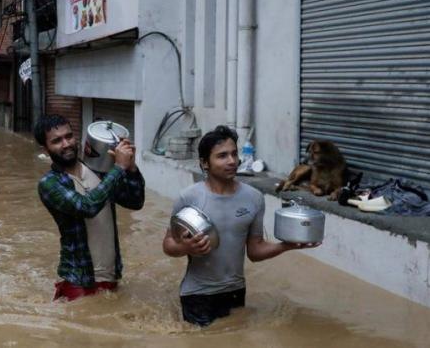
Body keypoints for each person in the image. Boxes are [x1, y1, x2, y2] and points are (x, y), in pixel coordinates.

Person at [163, 125, 320, 327]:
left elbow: (254, 251)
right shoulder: (189, 197)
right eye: (222, 156)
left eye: (234, 154)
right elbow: (168, 244)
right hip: (197, 293)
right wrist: (185, 247)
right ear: (204, 163)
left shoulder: (253, 198)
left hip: (235, 291)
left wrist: (287, 246)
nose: (231, 161)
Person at [35, 114, 145, 301]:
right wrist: (118, 168)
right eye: (57, 141)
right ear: (45, 149)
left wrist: (131, 168)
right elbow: (86, 206)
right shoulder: (49, 184)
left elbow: (135, 202)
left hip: (111, 275)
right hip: (79, 280)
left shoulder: (100, 170)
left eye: (69, 136)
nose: (66, 144)